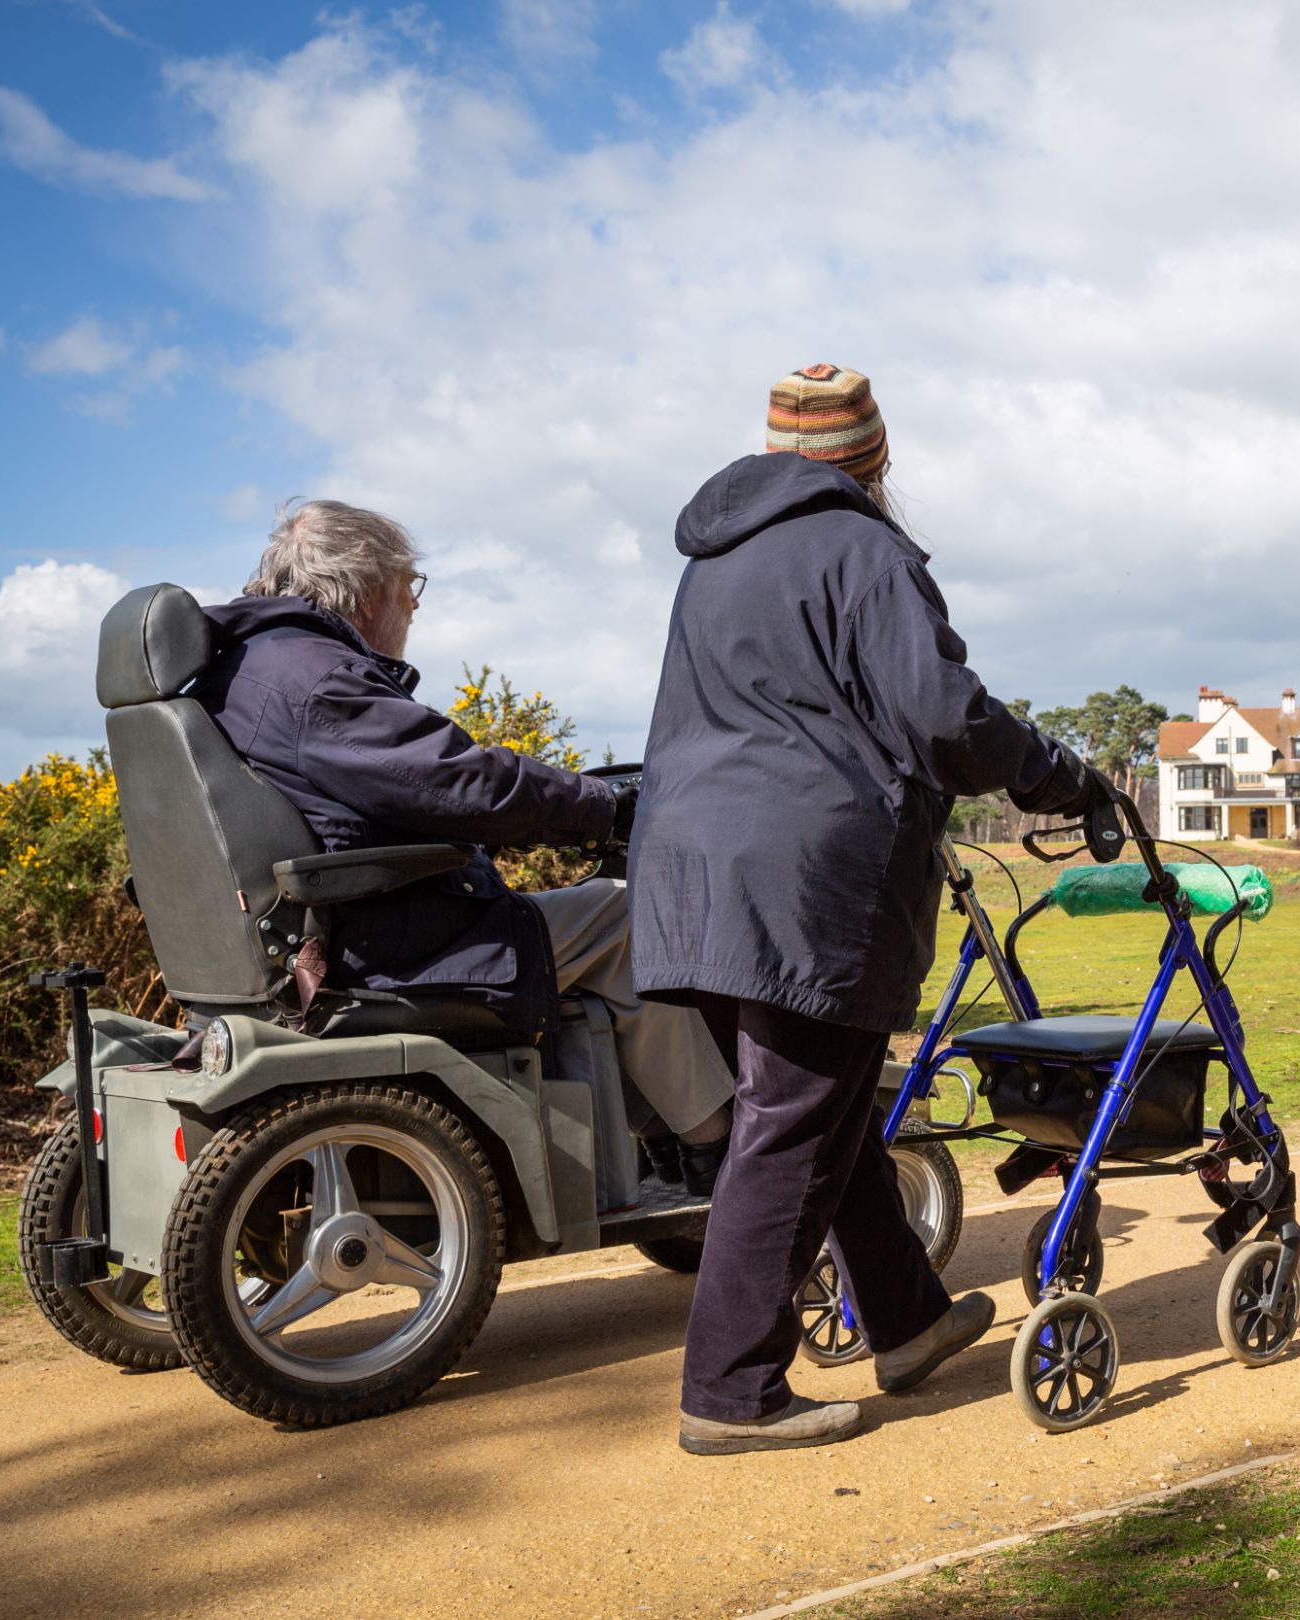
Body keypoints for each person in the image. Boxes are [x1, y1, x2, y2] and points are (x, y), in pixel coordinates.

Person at [633, 364, 1104, 1455]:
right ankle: (730, 1390)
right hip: (803, 876)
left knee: (822, 1113)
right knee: (792, 1122)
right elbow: (945, 718)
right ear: (874, 458)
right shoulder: (865, 550)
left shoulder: (712, 563)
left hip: (682, 873)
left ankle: (909, 1322)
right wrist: (1058, 774)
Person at [196, 500, 736, 1186]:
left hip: (336, 931)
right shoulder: (320, 681)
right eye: (408, 587)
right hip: (385, 944)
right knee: (624, 916)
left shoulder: (245, 666)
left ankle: (660, 1140)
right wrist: (600, 811)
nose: (413, 609)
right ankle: (719, 1154)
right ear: (365, 593)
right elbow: (454, 780)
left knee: (585, 927)